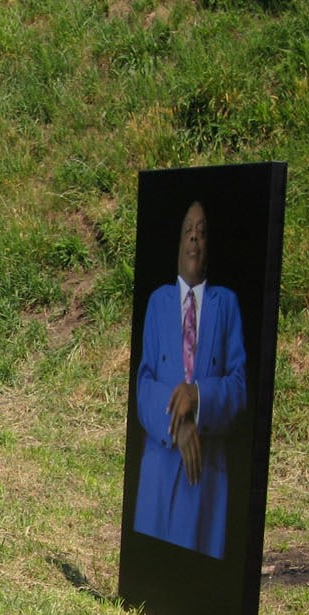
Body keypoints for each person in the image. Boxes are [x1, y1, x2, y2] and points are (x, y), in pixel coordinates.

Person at [132, 200, 247, 559]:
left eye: (202, 231)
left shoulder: (227, 305)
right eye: (188, 230)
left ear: (210, 245)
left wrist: (198, 396)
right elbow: (145, 384)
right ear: (179, 243)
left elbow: (240, 385)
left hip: (205, 473)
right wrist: (177, 425)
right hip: (160, 467)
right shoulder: (158, 302)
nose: (195, 237)